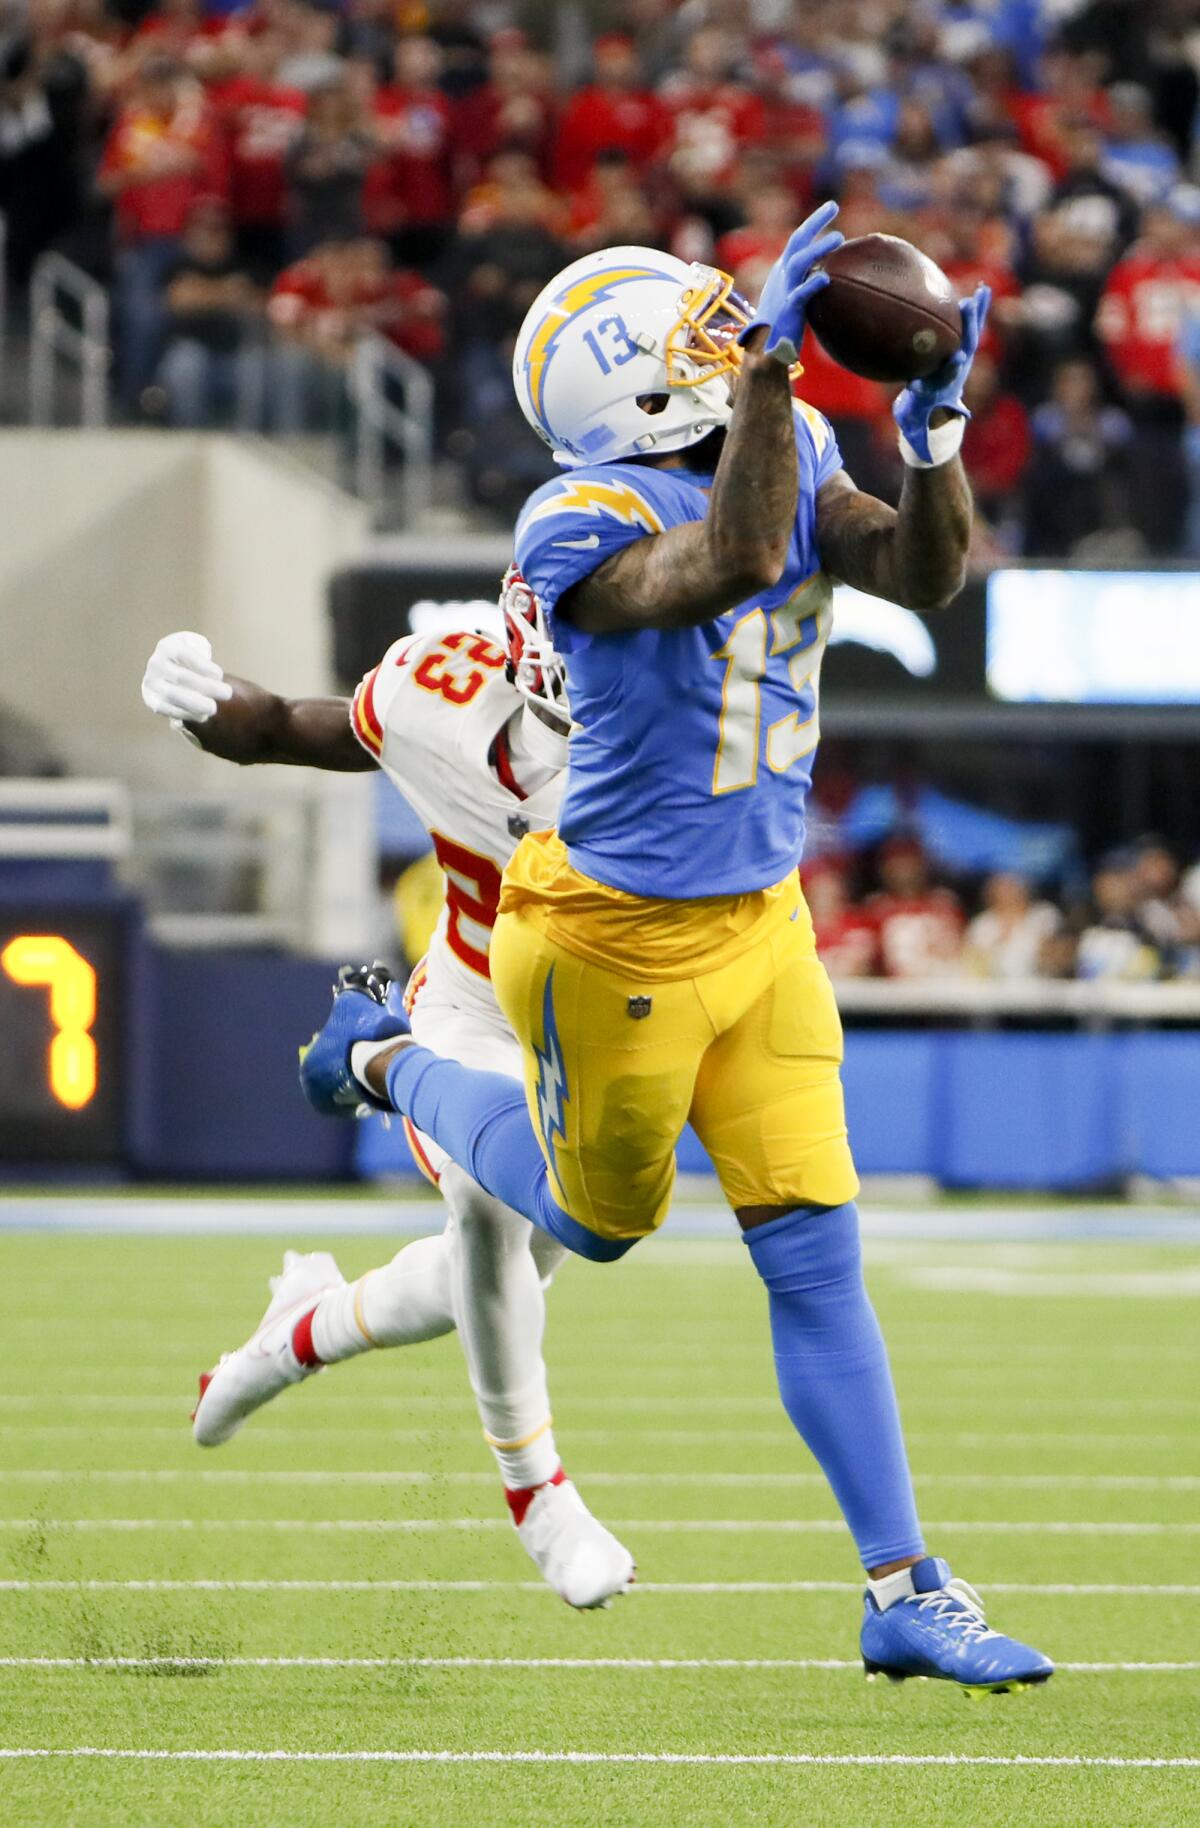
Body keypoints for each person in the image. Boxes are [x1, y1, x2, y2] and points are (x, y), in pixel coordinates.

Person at [300, 207, 1054, 1694]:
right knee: (596, 1227)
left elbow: (921, 576)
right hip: (611, 936)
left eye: (733, 327)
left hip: (766, 921)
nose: (729, 338)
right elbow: (719, 567)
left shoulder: (802, 450)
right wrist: (774, 381)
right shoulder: (577, 517)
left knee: (819, 1260)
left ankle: (906, 1588)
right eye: (696, 337)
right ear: (629, 389)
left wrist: (941, 435)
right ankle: (381, 1055)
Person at [138, 575, 634, 1611]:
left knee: (494, 1275)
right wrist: (204, 703)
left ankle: (299, 1329)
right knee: (489, 1205)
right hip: (476, 1012)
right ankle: (538, 1495)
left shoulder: (693, 738)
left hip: (613, 1040)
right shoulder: (439, 693)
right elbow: (280, 727)